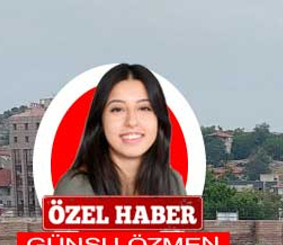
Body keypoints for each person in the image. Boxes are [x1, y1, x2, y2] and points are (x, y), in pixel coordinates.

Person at [54, 64, 185, 196]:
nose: (132, 122)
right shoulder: (75, 188)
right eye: (117, 109)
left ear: (159, 119)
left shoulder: (172, 183)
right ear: (100, 119)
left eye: (144, 108)